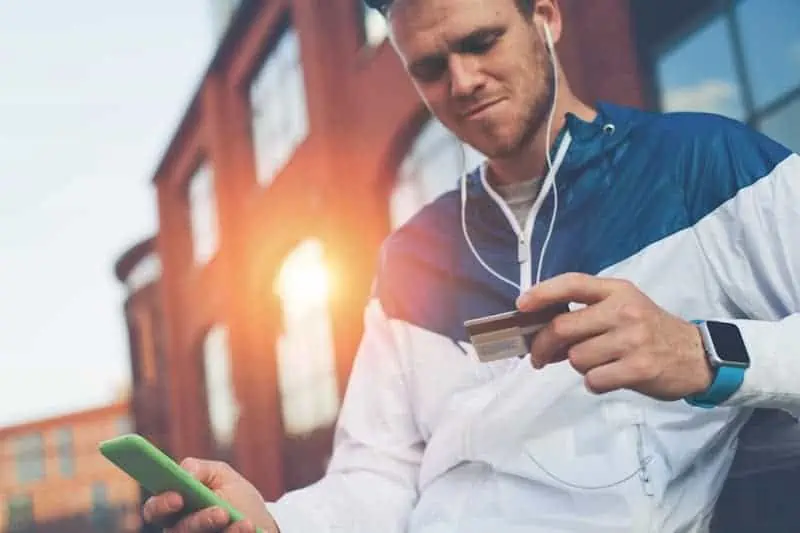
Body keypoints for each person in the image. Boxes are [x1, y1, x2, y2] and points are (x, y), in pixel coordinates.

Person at [142, 0, 800, 531]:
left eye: (481, 42)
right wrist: (275, 520)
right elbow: (377, 477)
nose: (461, 83)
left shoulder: (709, 166)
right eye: (428, 67)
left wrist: (705, 351)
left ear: (546, 18)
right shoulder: (409, 256)